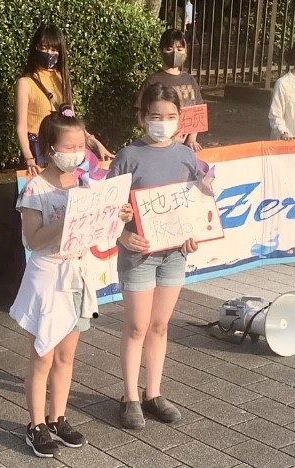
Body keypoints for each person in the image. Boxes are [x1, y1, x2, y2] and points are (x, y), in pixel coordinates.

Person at [11, 106, 133, 457]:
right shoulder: (36, 189)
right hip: (49, 278)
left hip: (79, 277)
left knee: (66, 355)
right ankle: (35, 424)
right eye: (70, 146)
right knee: (42, 355)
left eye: (82, 144)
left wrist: (117, 215)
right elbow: (32, 240)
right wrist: (65, 220)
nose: (78, 152)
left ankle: (57, 417)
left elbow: (101, 233)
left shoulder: (84, 184)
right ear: (50, 149)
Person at [108, 83, 201, 430]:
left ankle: (154, 393)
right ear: (142, 117)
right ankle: (130, 396)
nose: (163, 122)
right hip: (139, 255)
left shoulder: (186, 157)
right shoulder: (127, 157)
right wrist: (123, 235)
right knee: (136, 326)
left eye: (171, 116)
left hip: (174, 254)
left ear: (180, 118)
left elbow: (196, 206)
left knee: (160, 326)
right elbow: (104, 210)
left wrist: (194, 235)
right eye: (156, 115)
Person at [14, 24, 112, 177]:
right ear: (35, 48)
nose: (49, 53)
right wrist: (29, 158)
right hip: (37, 149)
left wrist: (94, 142)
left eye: (54, 49)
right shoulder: (25, 83)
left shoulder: (62, 79)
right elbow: (21, 127)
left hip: (62, 148)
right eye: (44, 47)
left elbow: (70, 119)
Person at [135, 29, 204, 153]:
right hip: (160, 147)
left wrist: (192, 139)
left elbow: (198, 112)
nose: (175, 52)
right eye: (169, 48)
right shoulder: (152, 81)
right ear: (161, 50)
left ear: (186, 51)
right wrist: (166, 139)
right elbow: (141, 117)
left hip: (188, 147)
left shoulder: (190, 80)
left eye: (179, 48)